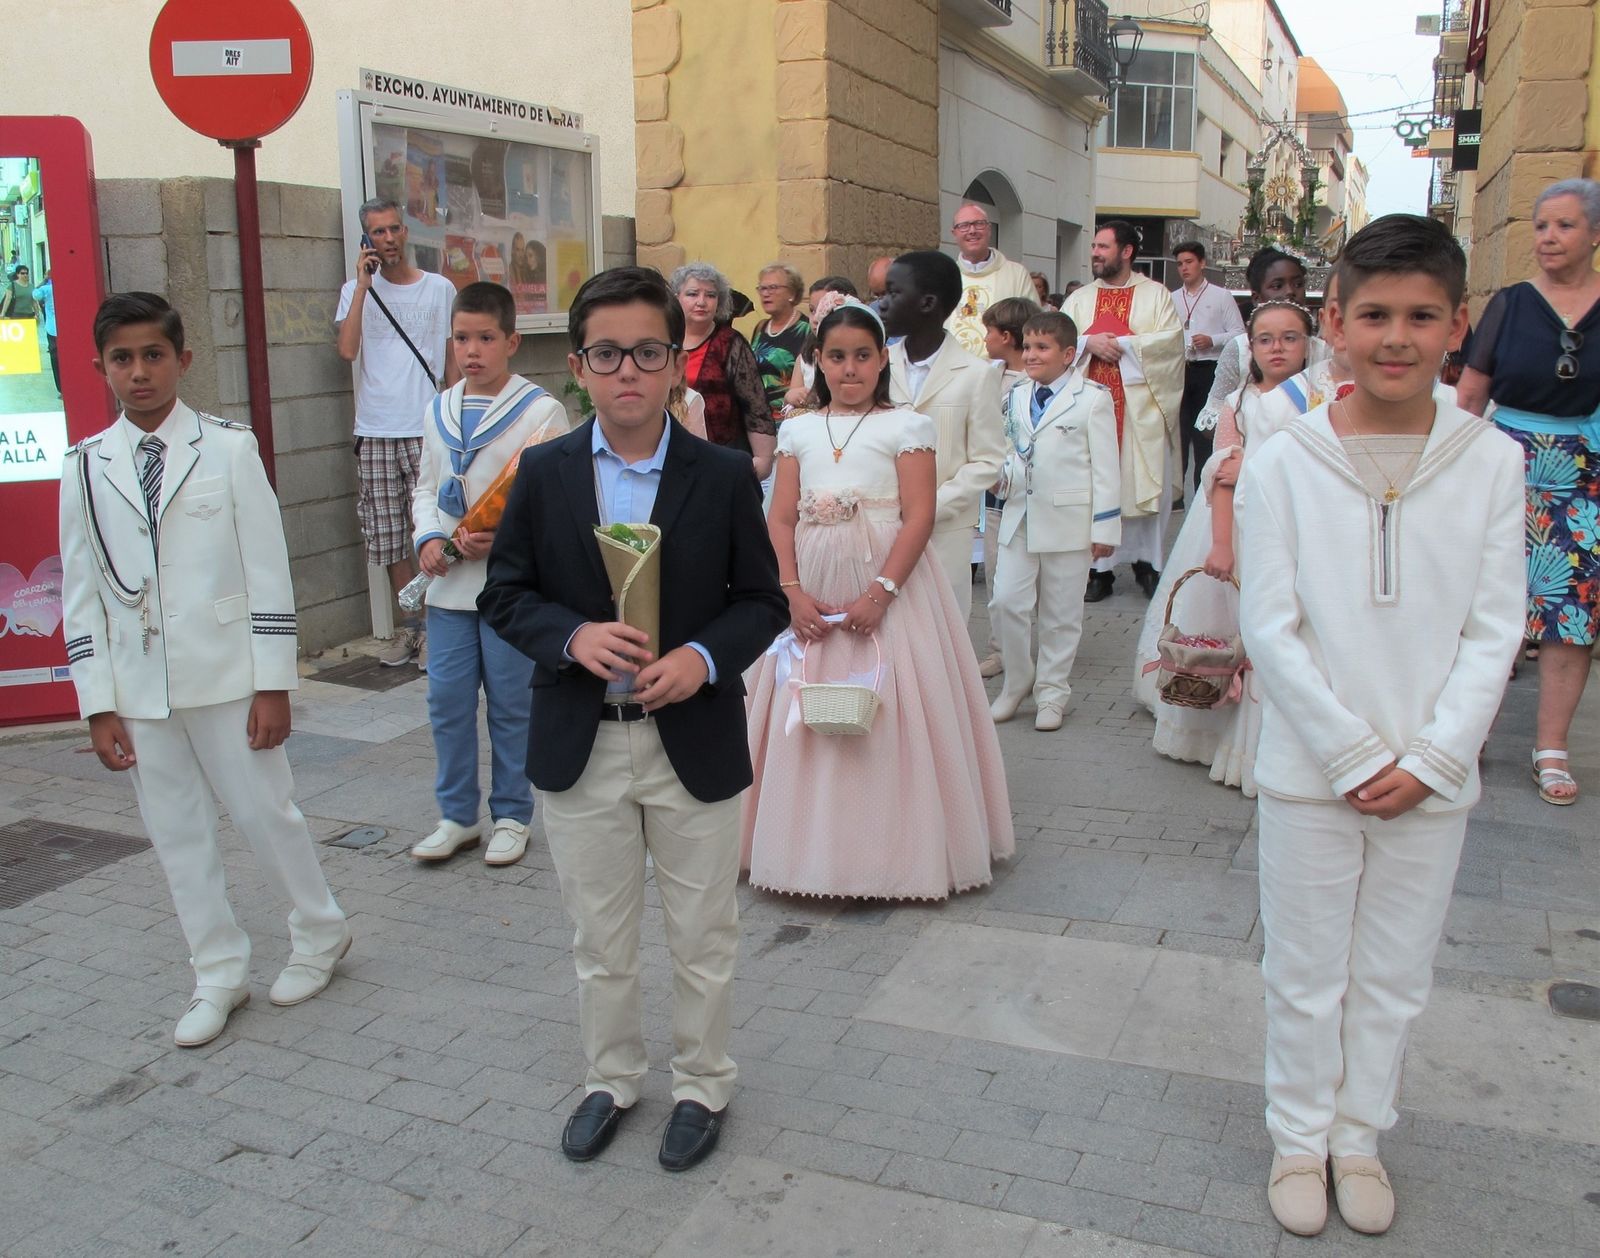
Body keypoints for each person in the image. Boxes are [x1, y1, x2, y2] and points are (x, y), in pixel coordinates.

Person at [1239, 216, 1523, 1238]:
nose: (1395, 337)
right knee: (1305, 971)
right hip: (1314, 768)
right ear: (1333, 325)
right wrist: (1353, 750)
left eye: (1419, 316)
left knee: (1395, 975)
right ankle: (1295, 1137)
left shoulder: (1489, 460)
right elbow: (1268, 623)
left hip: (1430, 774)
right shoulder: (1283, 459)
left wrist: (1434, 755)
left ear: (1456, 325)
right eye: (1372, 315)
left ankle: (1358, 1135)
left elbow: (1496, 625)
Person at [477, 267, 787, 1172]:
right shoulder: (542, 471)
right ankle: (612, 1078)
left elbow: (761, 603)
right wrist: (570, 637)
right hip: (583, 744)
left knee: (703, 936)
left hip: (690, 740)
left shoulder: (723, 475)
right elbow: (506, 594)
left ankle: (703, 1083)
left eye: (648, 353)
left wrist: (700, 658)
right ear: (579, 365)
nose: (628, 373)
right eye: (607, 354)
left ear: (675, 365)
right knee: (599, 938)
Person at [57, 293, 350, 1049]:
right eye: (122, 358)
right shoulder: (86, 467)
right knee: (177, 834)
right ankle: (218, 971)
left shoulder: (226, 448)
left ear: (182, 360)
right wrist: (98, 703)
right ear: (100, 369)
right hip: (139, 688)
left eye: (153, 354)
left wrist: (274, 681)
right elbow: (81, 594)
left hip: (227, 676)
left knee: (264, 814)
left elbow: (268, 570)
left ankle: (319, 932)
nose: (139, 371)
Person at [742, 299, 1014, 898]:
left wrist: (883, 592)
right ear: (816, 362)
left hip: (890, 588)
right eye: (836, 357)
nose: (849, 370)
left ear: (881, 359)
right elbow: (781, 518)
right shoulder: (798, 429)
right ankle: (805, 851)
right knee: (804, 706)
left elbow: (918, 516)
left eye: (863, 356)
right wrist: (790, 591)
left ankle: (893, 854)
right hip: (810, 583)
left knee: (896, 708)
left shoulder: (906, 425)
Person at [409, 282, 568, 867]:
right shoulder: (438, 406)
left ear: (512, 341)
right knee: (447, 700)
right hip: (449, 585)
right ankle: (456, 815)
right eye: (461, 339)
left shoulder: (541, 410)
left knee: (510, 702)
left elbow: (552, 501)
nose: (471, 351)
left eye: (485, 338)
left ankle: (511, 814)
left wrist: (502, 539)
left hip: (509, 587)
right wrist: (429, 536)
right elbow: (426, 487)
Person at [1132, 300, 1316, 794]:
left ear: (1309, 344)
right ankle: (1233, 736)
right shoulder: (1238, 403)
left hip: (1306, 528)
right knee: (1241, 628)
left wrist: (1251, 466)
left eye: (1290, 338)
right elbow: (1221, 479)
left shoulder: (1322, 402)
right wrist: (1219, 544)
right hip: (1241, 528)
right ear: (1249, 347)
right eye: (1265, 339)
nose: (1277, 348)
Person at [1457, 178, 1600, 806]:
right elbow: (1468, 396)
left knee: (1572, 620)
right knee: (1492, 609)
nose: (1549, 236)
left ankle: (1551, 751)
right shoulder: (1512, 304)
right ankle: (1470, 737)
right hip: (1505, 465)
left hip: (1587, 474)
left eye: (1565, 226)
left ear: (1595, 235)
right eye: (1541, 225)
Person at [335, 197, 460, 669]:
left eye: (393, 230)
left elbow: (451, 359)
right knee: (388, 538)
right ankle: (413, 628)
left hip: (426, 427)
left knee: (433, 529)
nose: (387, 240)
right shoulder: (356, 292)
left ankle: (438, 630)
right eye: (377, 233)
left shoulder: (439, 289)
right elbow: (347, 351)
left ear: (405, 232)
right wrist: (364, 287)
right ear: (366, 241)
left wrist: (456, 413)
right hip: (376, 428)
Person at [990, 312, 1120, 731]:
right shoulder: (1014, 395)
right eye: (1027, 347)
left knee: (1061, 613)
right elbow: (1009, 448)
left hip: (1069, 519)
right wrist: (1000, 475)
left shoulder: (1092, 398)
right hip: (1019, 514)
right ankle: (1017, 678)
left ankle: (1052, 692)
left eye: (1041, 348)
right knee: (1006, 601)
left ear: (1068, 354)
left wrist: (1104, 528)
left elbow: (1105, 468)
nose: (1030, 355)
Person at [1061, 222, 1185, 601]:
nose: (1095, 253)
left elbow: (1171, 346)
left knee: (1143, 482)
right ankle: (1099, 572)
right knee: (1097, 485)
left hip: (1139, 411)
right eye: (1094, 246)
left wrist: (1125, 347)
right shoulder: (1080, 299)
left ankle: (1148, 564)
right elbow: (1054, 339)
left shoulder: (1156, 296)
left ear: (1127, 251)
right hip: (1090, 410)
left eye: (1103, 246)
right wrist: (1086, 342)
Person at [882, 250, 1006, 619]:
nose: (882, 305)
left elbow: (987, 460)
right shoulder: (878, 366)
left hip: (945, 530)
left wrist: (930, 505)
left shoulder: (975, 374)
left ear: (927, 303)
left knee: (943, 627)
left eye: (892, 293)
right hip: (882, 526)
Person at [1195, 248, 1331, 435]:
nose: (1290, 292)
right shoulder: (1239, 349)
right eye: (1277, 286)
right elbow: (1210, 422)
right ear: (1257, 298)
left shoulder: (1323, 351)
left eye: (1298, 284)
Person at [976, 295, 1039, 677]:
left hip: (1034, 488)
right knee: (997, 574)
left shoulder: (1035, 380)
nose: (984, 339)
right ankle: (1000, 649)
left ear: (1007, 336)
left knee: (1037, 577)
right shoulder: (988, 375)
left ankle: (1039, 649)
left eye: (989, 332)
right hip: (996, 489)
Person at [670, 262, 776, 480]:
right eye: (692, 294)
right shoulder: (665, 340)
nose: (702, 302)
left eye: (710, 295)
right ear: (676, 297)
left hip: (721, 454)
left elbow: (755, 405)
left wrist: (763, 460)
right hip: (672, 453)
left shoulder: (729, 342)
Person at [1172, 241, 1245, 497]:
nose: (1184, 268)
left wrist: (1212, 339)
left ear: (1202, 263)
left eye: (1189, 262)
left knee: (1204, 432)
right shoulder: (1172, 298)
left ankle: (1204, 489)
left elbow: (1238, 332)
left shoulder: (1220, 296)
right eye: (1180, 264)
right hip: (1181, 369)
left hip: (1209, 369)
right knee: (1178, 431)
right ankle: (1177, 494)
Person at [946, 203, 1038, 357]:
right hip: (951, 369)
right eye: (964, 226)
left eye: (978, 224)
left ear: (989, 229)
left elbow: (1033, 326)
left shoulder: (1016, 274)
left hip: (1002, 371)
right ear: (954, 233)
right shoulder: (946, 276)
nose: (972, 231)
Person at [785, 276, 859, 409]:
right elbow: (793, 397)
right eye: (812, 310)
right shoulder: (805, 359)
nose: (815, 318)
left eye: (823, 309)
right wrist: (791, 396)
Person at [750, 263, 811, 423]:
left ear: (792, 293)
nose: (766, 294)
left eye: (773, 287)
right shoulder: (760, 327)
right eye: (762, 288)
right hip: (757, 417)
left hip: (788, 417)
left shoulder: (806, 330)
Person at [33, 272, 59, 396]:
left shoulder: (46, 288)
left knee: (55, 358)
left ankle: (61, 389)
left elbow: (35, 294)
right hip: (60, 328)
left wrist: (44, 280)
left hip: (52, 329)